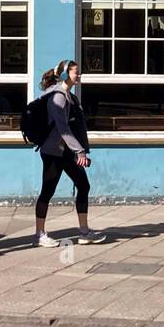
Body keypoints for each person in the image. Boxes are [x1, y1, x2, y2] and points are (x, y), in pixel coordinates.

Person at [35, 59, 106, 247]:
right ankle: (40, 235)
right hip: (52, 151)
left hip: (64, 151)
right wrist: (80, 152)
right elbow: (63, 128)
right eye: (76, 72)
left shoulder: (68, 96)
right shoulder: (58, 97)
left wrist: (76, 151)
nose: (79, 75)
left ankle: (84, 232)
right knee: (47, 191)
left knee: (83, 185)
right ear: (66, 75)